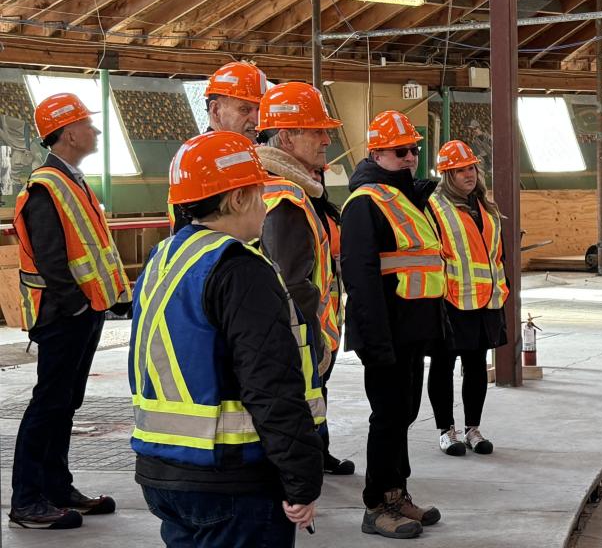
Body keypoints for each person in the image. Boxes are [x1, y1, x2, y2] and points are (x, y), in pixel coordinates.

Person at [130, 131, 325, 547]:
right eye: (259, 191)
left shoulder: (166, 257)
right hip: (233, 479)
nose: (265, 203)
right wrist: (301, 477)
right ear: (237, 199)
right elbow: (271, 382)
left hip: (164, 472)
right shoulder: (240, 268)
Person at [8, 93, 132, 530]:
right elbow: (51, 258)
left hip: (84, 312)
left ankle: (57, 489)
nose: (95, 130)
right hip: (63, 316)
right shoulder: (46, 186)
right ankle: (26, 500)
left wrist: (111, 300)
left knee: (64, 404)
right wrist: (77, 305)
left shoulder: (73, 180)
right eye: (88, 123)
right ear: (68, 132)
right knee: (49, 404)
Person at [340, 109, 444, 539]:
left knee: (404, 414)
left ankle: (397, 493)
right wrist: (376, 340)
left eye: (415, 150)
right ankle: (376, 506)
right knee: (386, 417)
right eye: (401, 151)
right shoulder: (365, 202)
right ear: (376, 153)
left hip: (411, 330)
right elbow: (360, 279)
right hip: (384, 332)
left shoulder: (404, 197)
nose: (410, 158)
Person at [255, 81, 353, 477]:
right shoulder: (284, 197)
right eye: (316, 130)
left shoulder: (303, 187)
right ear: (286, 136)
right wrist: (310, 336)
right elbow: (291, 283)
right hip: (300, 333)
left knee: (314, 397)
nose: (327, 139)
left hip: (313, 330)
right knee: (298, 401)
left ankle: (317, 452)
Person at [425, 140, 508, 456]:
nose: (468, 174)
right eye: (460, 170)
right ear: (447, 175)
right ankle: (446, 430)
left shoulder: (485, 205)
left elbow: (495, 252)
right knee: (443, 365)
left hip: (485, 299)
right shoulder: (434, 207)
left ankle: (473, 428)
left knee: (476, 364)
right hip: (449, 300)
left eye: (471, 167)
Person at [172, 61, 267, 233]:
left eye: (258, 110)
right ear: (215, 110)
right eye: (245, 109)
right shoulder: (197, 163)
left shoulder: (247, 157)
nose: (256, 120)